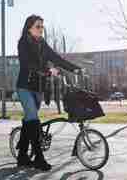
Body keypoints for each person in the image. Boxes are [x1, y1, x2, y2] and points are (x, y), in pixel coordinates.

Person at [16, 14, 80, 171]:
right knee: (34, 119)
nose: (41, 29)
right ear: (29, 28)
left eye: (42, 26)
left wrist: (74, 68)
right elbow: (28, 64)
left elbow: (56, 58)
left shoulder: (43, 44)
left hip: (38, 88)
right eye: (38, 26)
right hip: (24, 87)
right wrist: (48, 70)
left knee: (29, 122)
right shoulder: (23, 42)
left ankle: (22, 157)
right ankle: (39, 157)